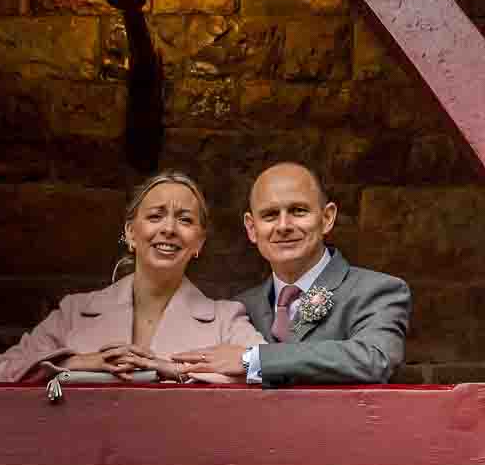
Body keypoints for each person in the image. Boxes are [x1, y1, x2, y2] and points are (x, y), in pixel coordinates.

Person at [0, 171, 260, 384]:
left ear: (199, 242)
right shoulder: (75, 312)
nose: (169, 229)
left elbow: (271, 373)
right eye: (155, 216)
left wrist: (174, 370)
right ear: (131, 233)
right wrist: (73, 363)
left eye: (185, 219)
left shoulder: (226, 318)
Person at [171, 161, 409, 386]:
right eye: (270, 215)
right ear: (252, 228)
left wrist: (253, 359)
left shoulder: (378, 290)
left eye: (298, 211)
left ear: (327, 218)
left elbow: (376, 358)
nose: (283, 226)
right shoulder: (240, 307)